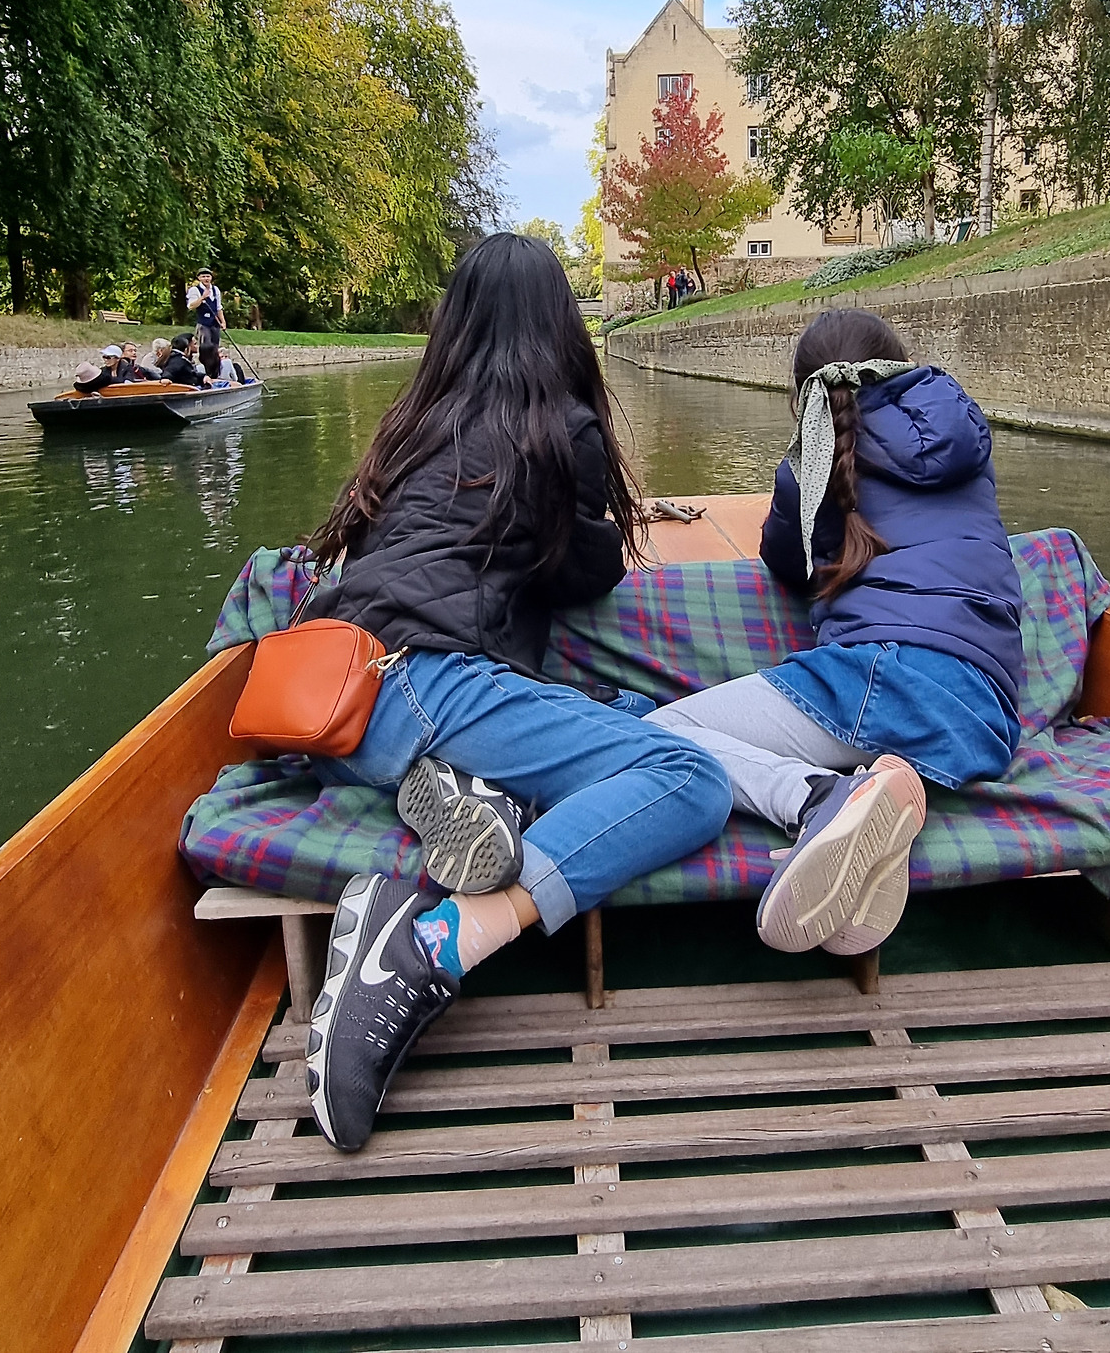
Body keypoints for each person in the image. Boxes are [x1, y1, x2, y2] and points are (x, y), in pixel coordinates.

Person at [296, 233, 732, 1153]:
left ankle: (469, 792)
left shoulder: (411, 423)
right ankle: (426, 943)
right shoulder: (559, 428)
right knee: (689, 778)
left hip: (331, 710)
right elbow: (584, 575)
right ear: (560, 323)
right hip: (427, 682)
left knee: (613, 716)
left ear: (455, 323)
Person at [645, 307, 1023, 959]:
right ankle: (878, 820)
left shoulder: (810, 469)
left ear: (803, 394)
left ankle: (818, 797)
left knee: (660, 734)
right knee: (880, 743)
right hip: (987, 714)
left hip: (888, 677)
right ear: (898, 363)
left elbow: (785, 560)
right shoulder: (964, 435)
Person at [186, 268, 226, 352]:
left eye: (208, 276)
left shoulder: (215, 290)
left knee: (215, 348)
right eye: (203, 276)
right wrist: (202, 297)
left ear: (211, 277)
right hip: (203, 324)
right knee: (205, 348)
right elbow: (191, 306)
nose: (206, 279)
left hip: (215, 323)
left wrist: (223, 322)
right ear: (199, 278)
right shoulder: (195, 290)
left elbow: (218, 307)